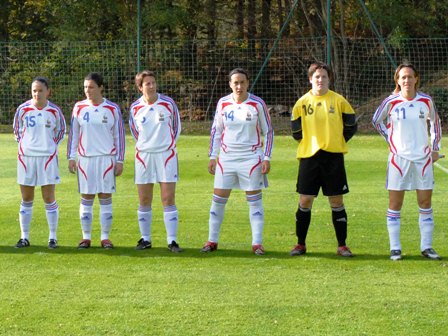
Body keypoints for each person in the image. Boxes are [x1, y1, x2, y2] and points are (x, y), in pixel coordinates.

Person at [372, 63, 442, 261]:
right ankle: (395, 248)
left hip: (423, 160)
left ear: (416, 79)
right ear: (397, 80)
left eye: (410, 77)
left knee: (425, 202)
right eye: (403, 77)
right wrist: (390, 139)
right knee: (395, 204)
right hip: (398, 160)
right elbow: (376, 121)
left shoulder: (425, 101)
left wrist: (435, 148)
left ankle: (426, 247)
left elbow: (435, 123)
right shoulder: (391, 101)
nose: (407, 80)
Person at [200, 68, 274, 255]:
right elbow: (216, 131)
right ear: (230, 84)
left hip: (251, 158)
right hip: (227, 158)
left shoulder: (257, 104)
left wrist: (266, 157)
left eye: (242, 82)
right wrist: (212, 156)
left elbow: (269, 132)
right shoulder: (223, 103)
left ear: (248, 83)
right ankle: (212, 240)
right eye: (235, 82)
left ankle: (257, 243)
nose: (239, 86)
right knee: (218, 200)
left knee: (254, 201)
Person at [290, 62, 357, 257]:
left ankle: (342, 245)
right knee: (305, 200)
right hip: (309, 157)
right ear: (310, 79)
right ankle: (300, 244)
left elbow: (351, 126)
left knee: (336, 200)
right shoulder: (301, 103)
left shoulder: (339, 101)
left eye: (324, 77)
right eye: (317, 76)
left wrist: (335, 140)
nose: (320, 80)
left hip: (333, 157)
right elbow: (296, 132)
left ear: (329, 79)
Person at [67, 72, 125, 249]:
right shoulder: (79, 107)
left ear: (101, 87)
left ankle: (105, 238)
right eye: (85, 87)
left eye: (91, 87)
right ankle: (86, 237)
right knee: (86, 197)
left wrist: (120, 160)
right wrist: (71, 157)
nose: (87, 90)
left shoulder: (112, 109)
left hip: (106, 159)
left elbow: (119, 136)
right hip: (85, 159)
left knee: (105, 197)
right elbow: (74, 134)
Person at [129, 70, 183, 253]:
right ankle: (145, 239)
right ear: (140, 87)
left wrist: (166, 145)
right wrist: (147, 145)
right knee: (144, 198)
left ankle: (172, 241)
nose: (151, 86)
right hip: (143, 156)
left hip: (166, 155)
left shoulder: (168, 104)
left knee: (168, 198)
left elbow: (176, 128)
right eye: (147, 84)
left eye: (153, 83)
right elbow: (135, 131)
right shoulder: (135, 107)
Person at [12, 76, 66, 249]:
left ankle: (52, 237)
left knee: (48, 197)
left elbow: (60, 131)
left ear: (48, 91)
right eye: (34, 90)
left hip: (47, 158)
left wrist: (48, 146)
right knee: (26, 198)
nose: (37, 93)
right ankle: (24, 237)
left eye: (40, 90)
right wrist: (26, 146)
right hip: (26, 157)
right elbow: (17, 131)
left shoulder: (55, 111)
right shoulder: (23, 109)